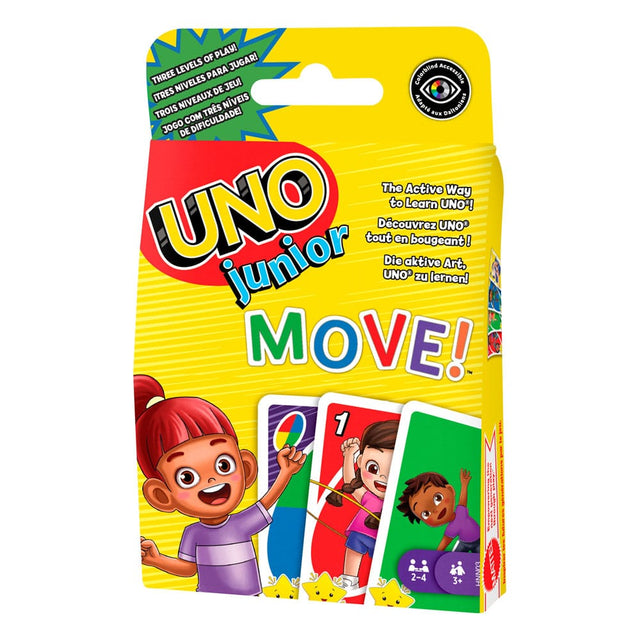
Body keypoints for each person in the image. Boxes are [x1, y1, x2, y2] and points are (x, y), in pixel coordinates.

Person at [135, 374, 306, 595]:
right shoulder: (193, 533)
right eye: (187, 477)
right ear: (162, 496)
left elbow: (268, 501)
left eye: (224, 465)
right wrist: (156, 560)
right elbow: (188, 569)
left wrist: (286, 472)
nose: (212, 480)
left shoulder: (241, 523)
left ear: (246, 468)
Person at [326, 420, 398, 591]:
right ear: (360, 461)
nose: (383, 477)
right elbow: (350, 481)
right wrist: (348, 456)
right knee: (353, 551)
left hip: (383, 541)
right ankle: (349, 579)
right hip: (359, 534)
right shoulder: (368, 498)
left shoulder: (398, 505)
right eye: (373, 468)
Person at [396, 469, 480, 553]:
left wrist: (464, 485)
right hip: (463, 543)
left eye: (438, 498)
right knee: (453, 557)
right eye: (426, 514)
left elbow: (462, 501)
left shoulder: (461, 513)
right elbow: (443, 544)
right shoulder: (450, 529)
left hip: (480, 540)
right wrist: (435, 555)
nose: (435, 510)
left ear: (450, 490)